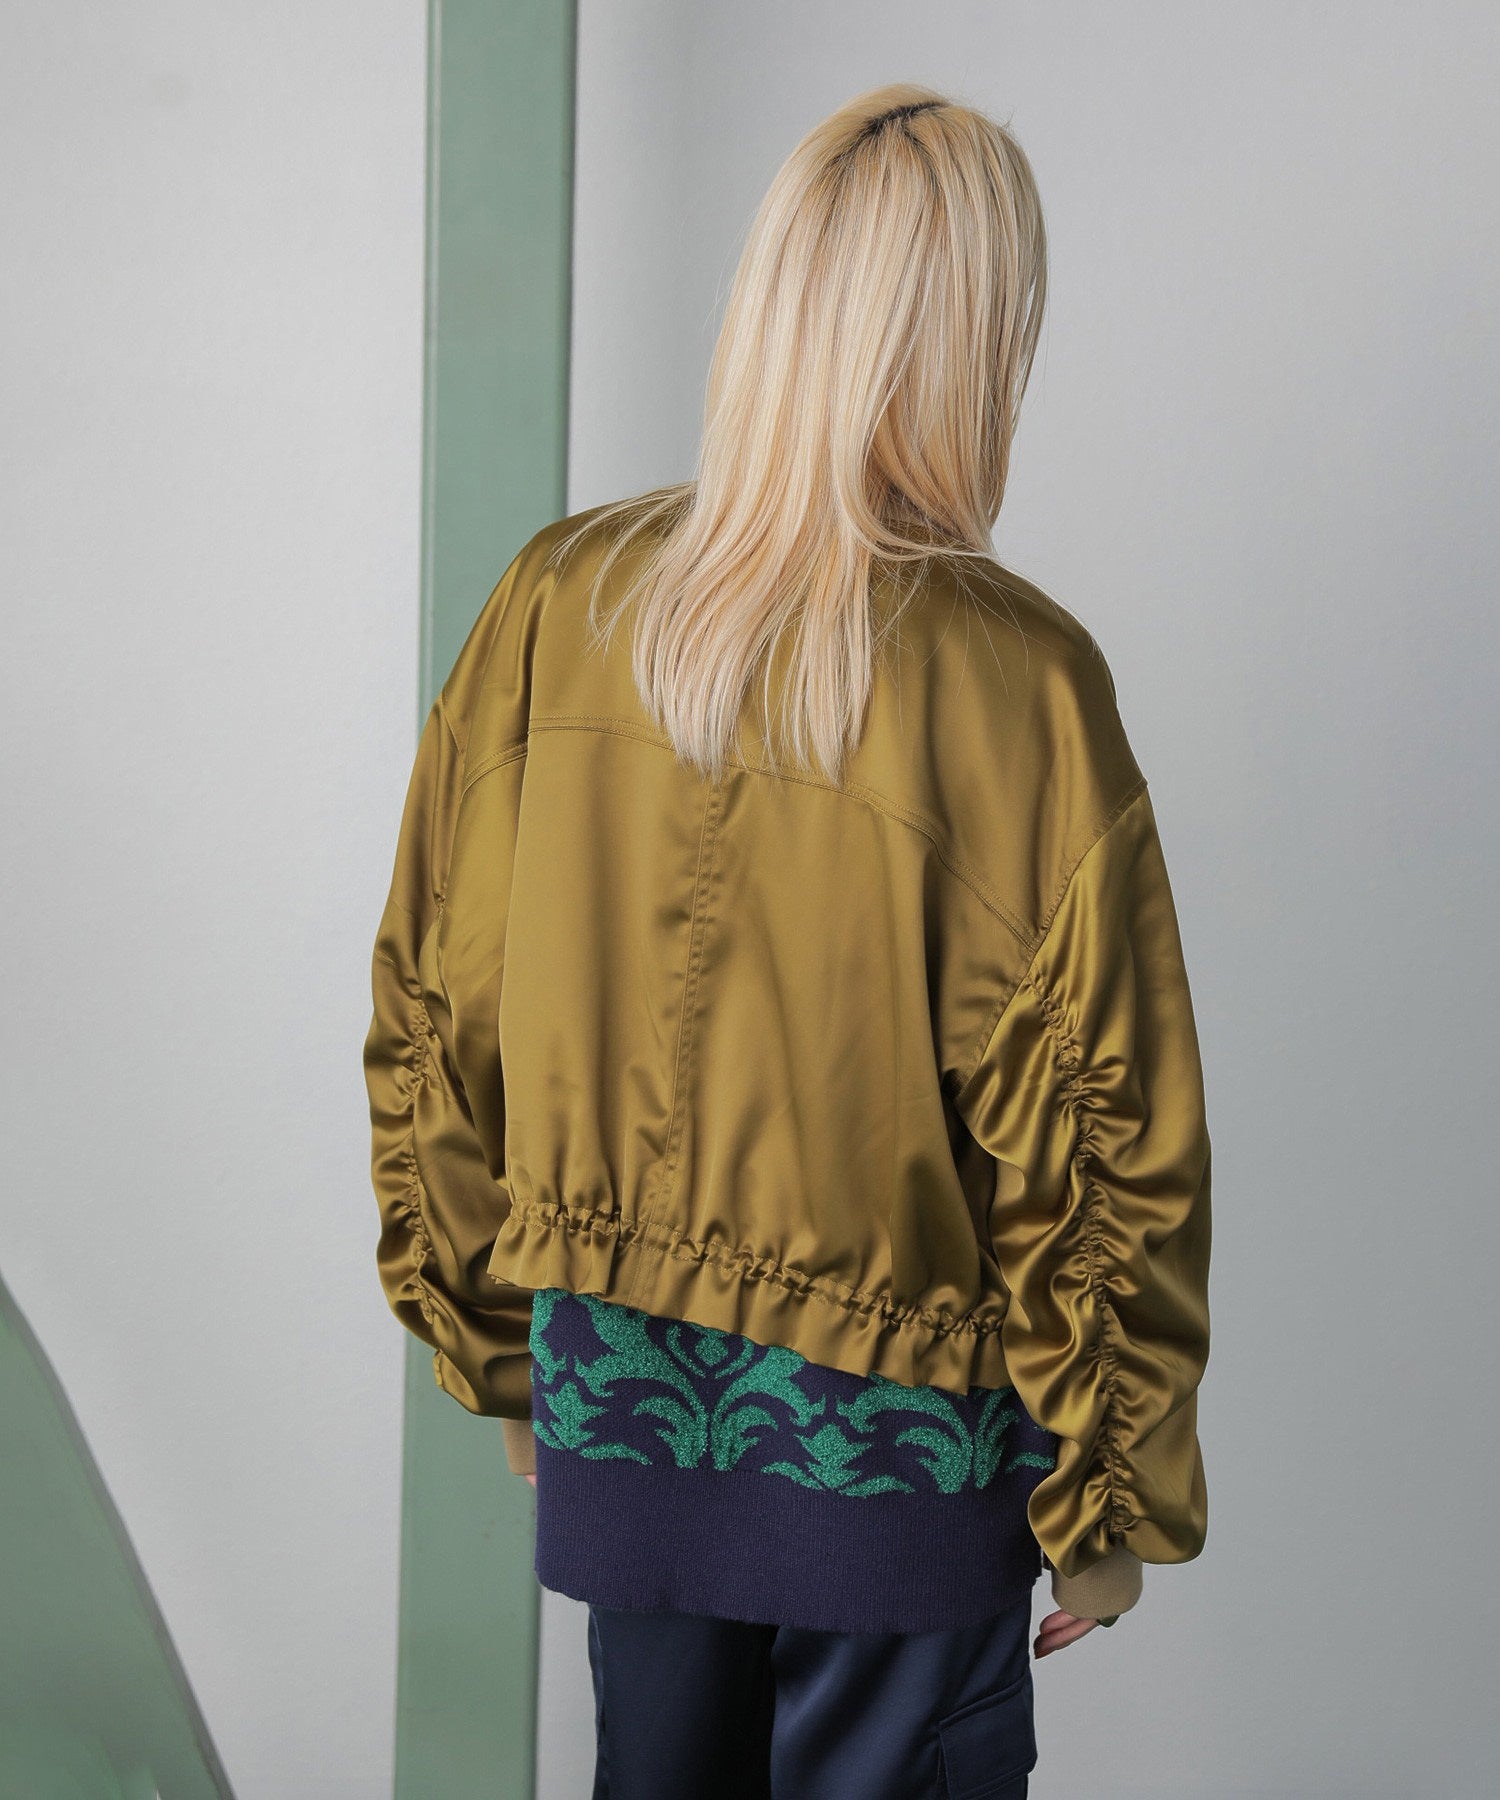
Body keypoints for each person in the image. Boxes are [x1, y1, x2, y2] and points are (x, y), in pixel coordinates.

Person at [364, 80, 1212, 1800]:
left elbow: (440, 1012)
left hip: (618, 1413)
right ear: (971, 343)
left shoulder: (557, 603)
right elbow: (1096, 1132)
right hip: (899, 1460)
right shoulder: (1018, 680)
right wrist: (1106, 1497)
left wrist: (501, 1351)